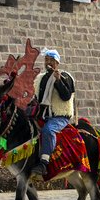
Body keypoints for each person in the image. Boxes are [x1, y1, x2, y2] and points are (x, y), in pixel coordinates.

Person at [30, 49, 75, 179]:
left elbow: (66, 96)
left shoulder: (65, 76)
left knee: (48, 130)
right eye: (46, 59)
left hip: (59, 115)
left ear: (57, 62)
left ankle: (44, 162)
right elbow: (36, 97)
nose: (48, 62)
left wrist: (58, 81)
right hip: (42, 114)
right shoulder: (40, 78)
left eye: (51, 60)